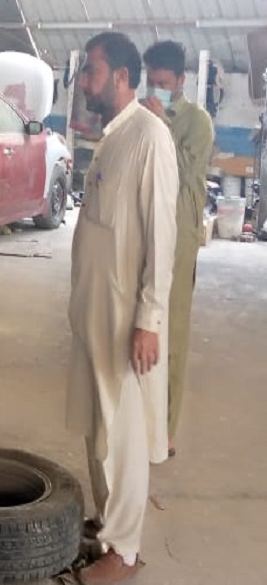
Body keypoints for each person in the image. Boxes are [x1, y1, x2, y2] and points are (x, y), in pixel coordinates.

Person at [67, 32, 178, 584]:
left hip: (126, 320)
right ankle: (109, 523)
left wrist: (148, 321)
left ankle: (126, 553)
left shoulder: (149, 137)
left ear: (120, 77)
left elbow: (162, 235)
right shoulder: (111, 139)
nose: (85, 83)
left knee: (125, 438)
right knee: (100, 429)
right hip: (95, 314)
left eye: (91, 72)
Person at [140, 41, 215, 456]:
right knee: (142, 325)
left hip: (180, 233)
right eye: (151, 82)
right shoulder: (143, 112)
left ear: (181, 81)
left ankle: (165, 429)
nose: (156, 90)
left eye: (164, 84)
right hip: (146, 226)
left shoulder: (197, 122)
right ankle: (140, 417)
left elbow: (186, 172)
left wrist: (161, 125)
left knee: (172, 330)